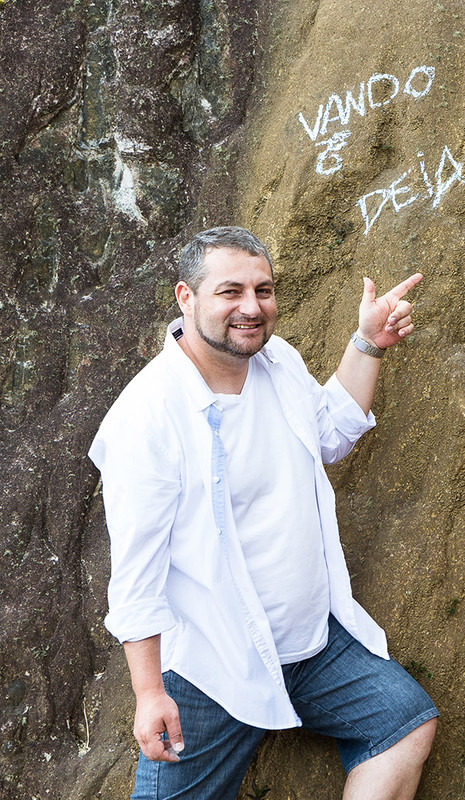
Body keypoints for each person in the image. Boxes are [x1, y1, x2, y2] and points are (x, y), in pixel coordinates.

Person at [89, 227, 438, 800]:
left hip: (309, 646)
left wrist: (367, 345)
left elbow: (328, 434)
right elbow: (136, 576)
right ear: (186, 297)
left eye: (264, 290)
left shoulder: (277, 360)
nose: (251, 308)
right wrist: (149, 693)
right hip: (211, 668)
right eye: (230, 291)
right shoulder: (146, 418)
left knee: (402, 723)